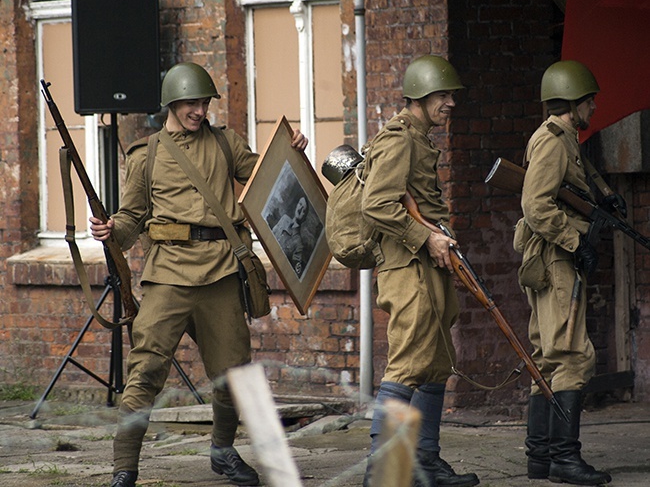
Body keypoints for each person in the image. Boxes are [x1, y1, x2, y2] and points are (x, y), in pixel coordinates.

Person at [90, 62, 308, 487]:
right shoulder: (146, 154)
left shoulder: (227, 143)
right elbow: (133, 217)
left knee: (232, 374)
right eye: (192, 103)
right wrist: (112, 228)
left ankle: (223, 451)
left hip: (222, 272)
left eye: (205, 103)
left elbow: (270, 177)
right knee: (146, 370)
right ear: (172, 103)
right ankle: (124, 468)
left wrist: (293, 149)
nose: (200, 110)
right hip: (168, 274)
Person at [361, 55, 479, 487]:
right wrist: (425, 237)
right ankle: (384, 473)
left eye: (451, 95)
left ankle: (425, 462)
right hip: (407, 266)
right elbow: (375, 205)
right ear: (421, 95)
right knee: (409, 363)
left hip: (428, 265)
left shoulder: (420, 138)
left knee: (434, 362)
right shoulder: (399, 139)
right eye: (443, 95)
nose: (450, 103)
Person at [514, 60, 612, 485]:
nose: (594, 107)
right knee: (572, 355)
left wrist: (606, 196)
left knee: (547, 356)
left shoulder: (561, 137)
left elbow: (572, 185)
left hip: (550, 256)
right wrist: (578, 243)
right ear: (573, 103)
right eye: (589, 100)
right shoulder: (554, 142)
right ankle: (563, 460)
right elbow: (536, 206)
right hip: (556, 257)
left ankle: (541, 456)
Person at [271, 196, 308, 276]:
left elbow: (295, 272)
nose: (299, 209)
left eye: (304, 210)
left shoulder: (298, 244)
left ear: (304, 218)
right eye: (300, 204)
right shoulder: (284, 219)